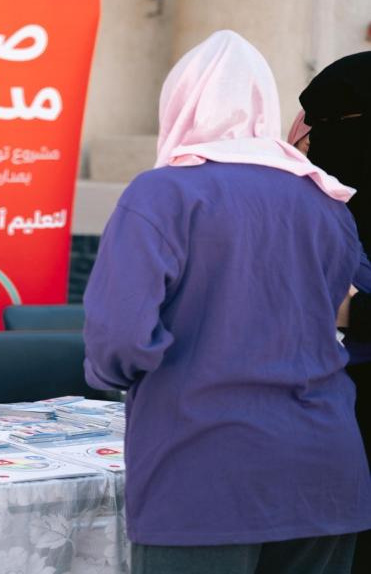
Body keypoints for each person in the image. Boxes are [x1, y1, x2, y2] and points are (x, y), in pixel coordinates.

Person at [83, 31, 371, 574]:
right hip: (325, 468)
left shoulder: (161, 194)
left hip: (202, 467)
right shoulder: (326, 200)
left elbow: (119, 339)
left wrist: (114, 375)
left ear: (178, 102)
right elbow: (339, 313)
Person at [299, 51, 371, 573]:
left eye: (330, 123)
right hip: (337, 415)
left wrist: (347, 312)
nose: (314, 141)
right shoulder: (324, 202)